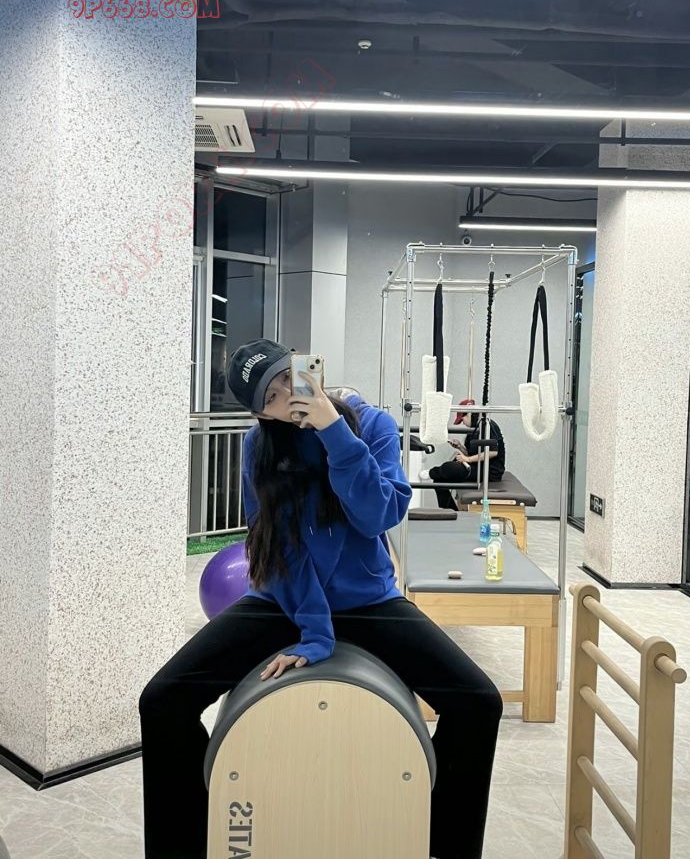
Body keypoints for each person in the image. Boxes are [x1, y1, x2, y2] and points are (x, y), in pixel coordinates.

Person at [138, 340, 502, 859]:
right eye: (271, 396)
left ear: (307, 366)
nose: (287, 394)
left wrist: (333, 430)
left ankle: (441, 845)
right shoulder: (259, 447)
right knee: (162, 701)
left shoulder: (371, 425)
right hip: (284, 600)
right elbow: (277, 546)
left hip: (368, 602)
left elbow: (378, 516)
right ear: (261, 413)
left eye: (288, 376)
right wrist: (314, 632)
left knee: (478, 702)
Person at [425, 398, 506, 511]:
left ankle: (431, 472)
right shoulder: (474, 430)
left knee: (449, 468)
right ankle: (451, 512)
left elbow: (493, 452)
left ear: (468, 414)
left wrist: (467, 459)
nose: (463, 423)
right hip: (476, 467)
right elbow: (471, 454)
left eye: (462, 419)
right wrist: (460, 447)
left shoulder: (487, 425)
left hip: (489, 472)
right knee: (438, 482)